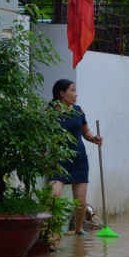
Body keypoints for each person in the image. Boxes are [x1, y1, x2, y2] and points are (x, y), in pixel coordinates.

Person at [49, 79, 103, 235]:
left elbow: (86, 132)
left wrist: (94, 139)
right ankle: (52, 231)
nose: (76, 94)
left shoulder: (79, 110)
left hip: (79, 158)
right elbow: (45, 134)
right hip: (58, 158)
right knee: (54, 196)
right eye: (72, 90)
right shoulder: (51, 111)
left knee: (80, 201)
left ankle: (78, 230)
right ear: (62, 93)